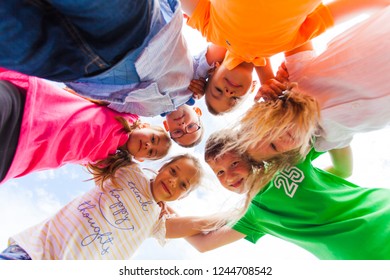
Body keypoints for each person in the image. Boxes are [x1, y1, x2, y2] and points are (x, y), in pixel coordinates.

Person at [0, 0, 221, 123]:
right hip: (139, 31)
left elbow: (109, 106)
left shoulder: (144, 112)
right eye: (191, 127)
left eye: (178, 132)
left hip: (76, 69)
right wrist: (217, 83)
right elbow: (222, 49)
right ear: (198, 114)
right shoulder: (197, 78)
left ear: (166, 126)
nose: (182, 125)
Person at [187, 130, 390, 260]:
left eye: (234, 164)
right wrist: (159, 212)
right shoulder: (254, 214)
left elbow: (331, 134)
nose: (229, 176)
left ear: (250, 157)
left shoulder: (286, 159)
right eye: (220, 173)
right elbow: (205, 244)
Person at [235, 5, 390, 163]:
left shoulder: (297, 78)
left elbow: (292, 27)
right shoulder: (330, 138)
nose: (277, 136)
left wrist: (267, 79)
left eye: (266, 130)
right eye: (274, 147)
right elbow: (344, 170)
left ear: (266, 113)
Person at [181, 0, 389, 114]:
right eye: (234, 98)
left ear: (214, 69)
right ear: (252, 88)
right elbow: (354, 6)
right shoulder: (289, 42)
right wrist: (270, 82)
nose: (228, 92)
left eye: (218, 91)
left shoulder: (210, 28)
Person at [0, 154, 222, 260]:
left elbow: (201, 227)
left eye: (183, 185)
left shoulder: (157, 220)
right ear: (162, 167)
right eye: (173, 171)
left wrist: (238, 215)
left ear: (182, 196)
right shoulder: (128, 170)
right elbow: (107, 140)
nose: (174, 181)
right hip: (34, 252)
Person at [0, 69, 171, 184]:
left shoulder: (112, 164)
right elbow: (146, 95)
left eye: (151, 152)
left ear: (141, 159)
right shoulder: (127, 115)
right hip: (31, 109)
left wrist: (163, 210)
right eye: (153, 139)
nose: (148, 145)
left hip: (23, 152)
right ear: (145, 125)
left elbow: (133, 187)